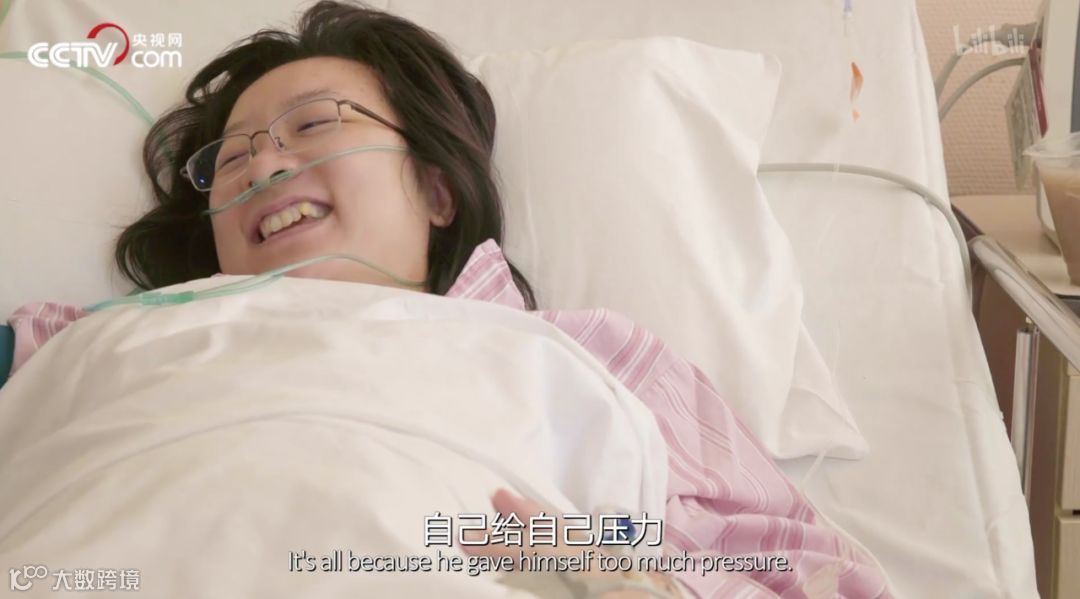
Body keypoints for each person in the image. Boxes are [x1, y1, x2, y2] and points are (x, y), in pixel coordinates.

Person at [2, 2, 890, 597]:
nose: (261, 163)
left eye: (312, 124)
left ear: (435, 189)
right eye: (230, 158)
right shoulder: (84, 340)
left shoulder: (591, 357)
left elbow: (819, 575)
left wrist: (641, 580)